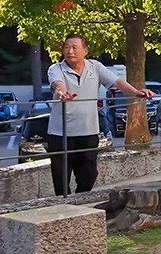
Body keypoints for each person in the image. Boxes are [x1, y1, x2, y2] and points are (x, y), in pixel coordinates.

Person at [47, 34, 153, 195]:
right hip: (60, 134)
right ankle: (63, 207)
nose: (70, 51)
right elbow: (57, 84)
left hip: (88, 132)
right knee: (61, 177)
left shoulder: (95, 66)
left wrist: (136, 92)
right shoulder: (56, 68)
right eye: (66, 47)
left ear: (85, 51)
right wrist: (63, 93)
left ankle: (80, 200)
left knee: (89, 174)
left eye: (74, 47)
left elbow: (116, 82)